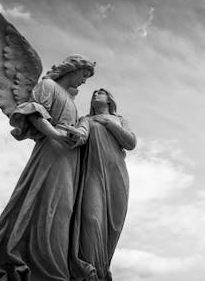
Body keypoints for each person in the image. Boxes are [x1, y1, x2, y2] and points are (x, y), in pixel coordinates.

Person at [0, 55, 96, 281]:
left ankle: (56, 267)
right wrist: (56, 135)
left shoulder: (72, 102)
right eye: (84, 75)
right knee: (45, 203)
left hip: (69, 157)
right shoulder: (48, 86)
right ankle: (38, 267)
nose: (85, 81)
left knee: (63, 210)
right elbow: (34, 113)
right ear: (72, 69)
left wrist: (76, 137)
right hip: (52, 151)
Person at [69, 89, 136, 281]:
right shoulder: (86, 120)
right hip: (93, 174)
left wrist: (108, 123)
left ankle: (102, 268)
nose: (95, 94)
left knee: (113, 225)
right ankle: (89, 272)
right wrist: (74, 134)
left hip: (117, 175)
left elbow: (131, 142)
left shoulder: (119, 119)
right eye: (94, 93)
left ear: (109, 99)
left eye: (101, 92)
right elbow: (82, 134)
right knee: (91, 219)